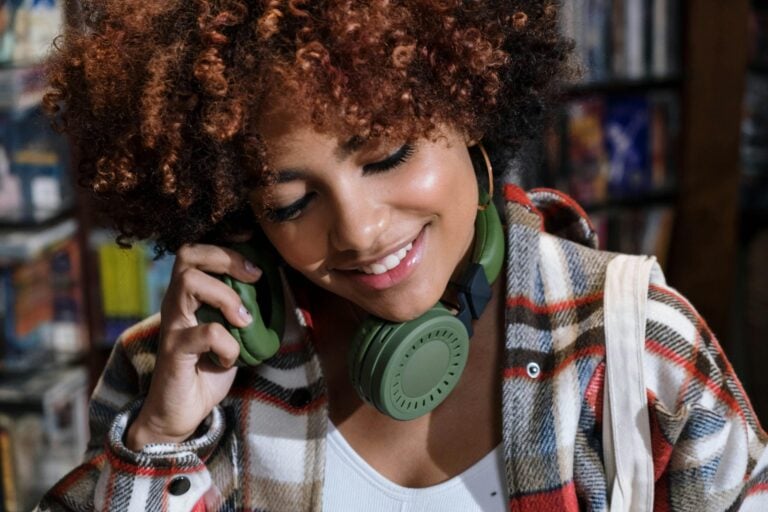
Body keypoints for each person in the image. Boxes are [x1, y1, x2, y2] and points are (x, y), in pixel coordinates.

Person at [37, 1, 768, 511]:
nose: (359, 232)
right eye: (291, 202)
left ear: (469, 107)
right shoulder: (174, 379)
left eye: (387, 155)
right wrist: (161, 442)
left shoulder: (641, 347)